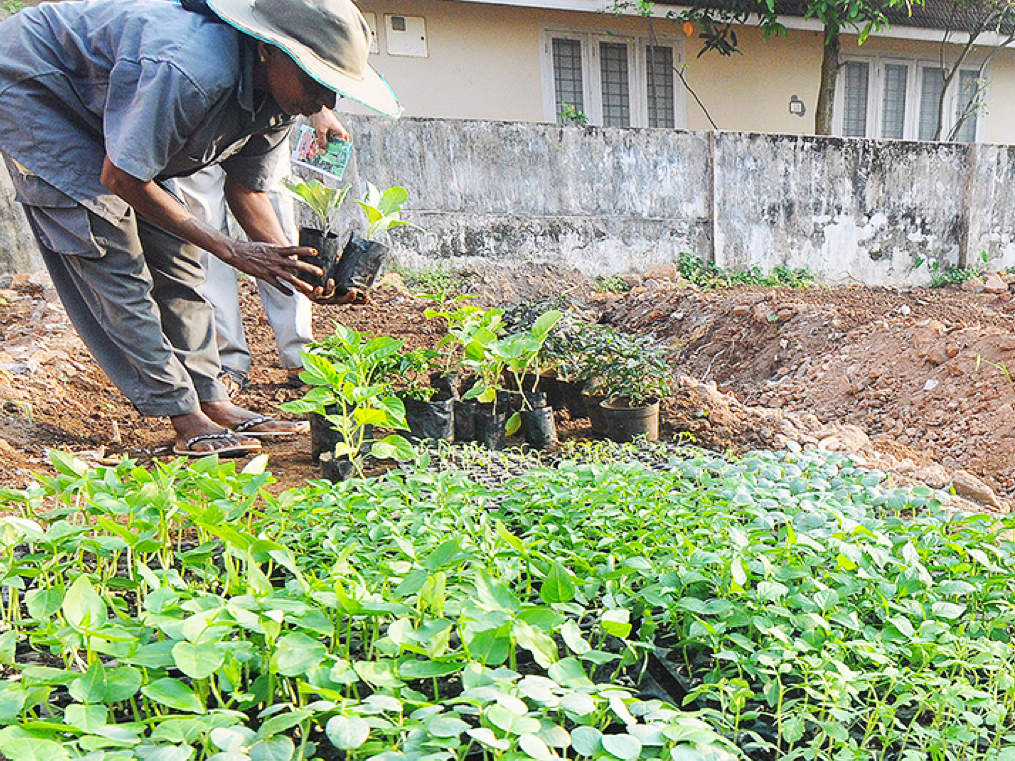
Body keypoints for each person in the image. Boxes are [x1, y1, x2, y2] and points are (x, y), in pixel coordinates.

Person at [0, 0, 400, 456]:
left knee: (178, 256)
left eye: (335, 88)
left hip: (111, 111)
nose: (325, 102)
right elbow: (122, 178)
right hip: (38, 87)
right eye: (316, 80)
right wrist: (230, 250)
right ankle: (183, 413)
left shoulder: (282, 101)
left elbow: (246, 192)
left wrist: (303, 272)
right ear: (269, 50)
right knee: (108, 251)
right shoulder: (191, 70)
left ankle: (211, 398)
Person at [173, 109, 350, 395]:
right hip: (202, 115)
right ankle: (227, 360)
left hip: (268, 106)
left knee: (278, 213)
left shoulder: (287, 98)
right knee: (206, 231)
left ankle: (301, 354)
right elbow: (242, 193)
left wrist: (319, 109)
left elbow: (250, 191)